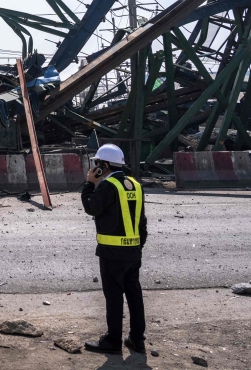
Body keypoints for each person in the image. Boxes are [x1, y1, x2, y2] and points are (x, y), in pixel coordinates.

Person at [81, 143, 148, 355]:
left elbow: (91, 207)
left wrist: (89, 184)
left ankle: (113, 341)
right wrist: (137, 246)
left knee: (114, 296)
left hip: (112, 252)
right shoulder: (135, 185)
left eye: (97, 163)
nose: (95, 167)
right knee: (134, 293)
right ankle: (137, 339)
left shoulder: (108, 186)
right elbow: (142, 221)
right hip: (133, 250)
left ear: (105, 165)